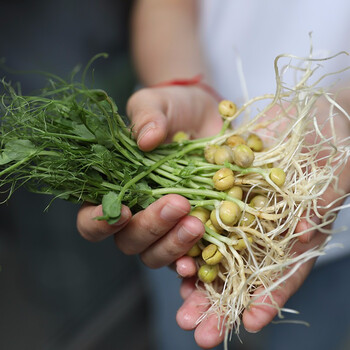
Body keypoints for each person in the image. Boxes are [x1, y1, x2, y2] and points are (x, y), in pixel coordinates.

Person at [77, 0, 350, 349]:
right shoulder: (211, 171)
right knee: (184, 327)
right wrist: (187, 87)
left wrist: (341, 116)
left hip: (332, 205)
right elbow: (166, 8)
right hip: (190, 212)